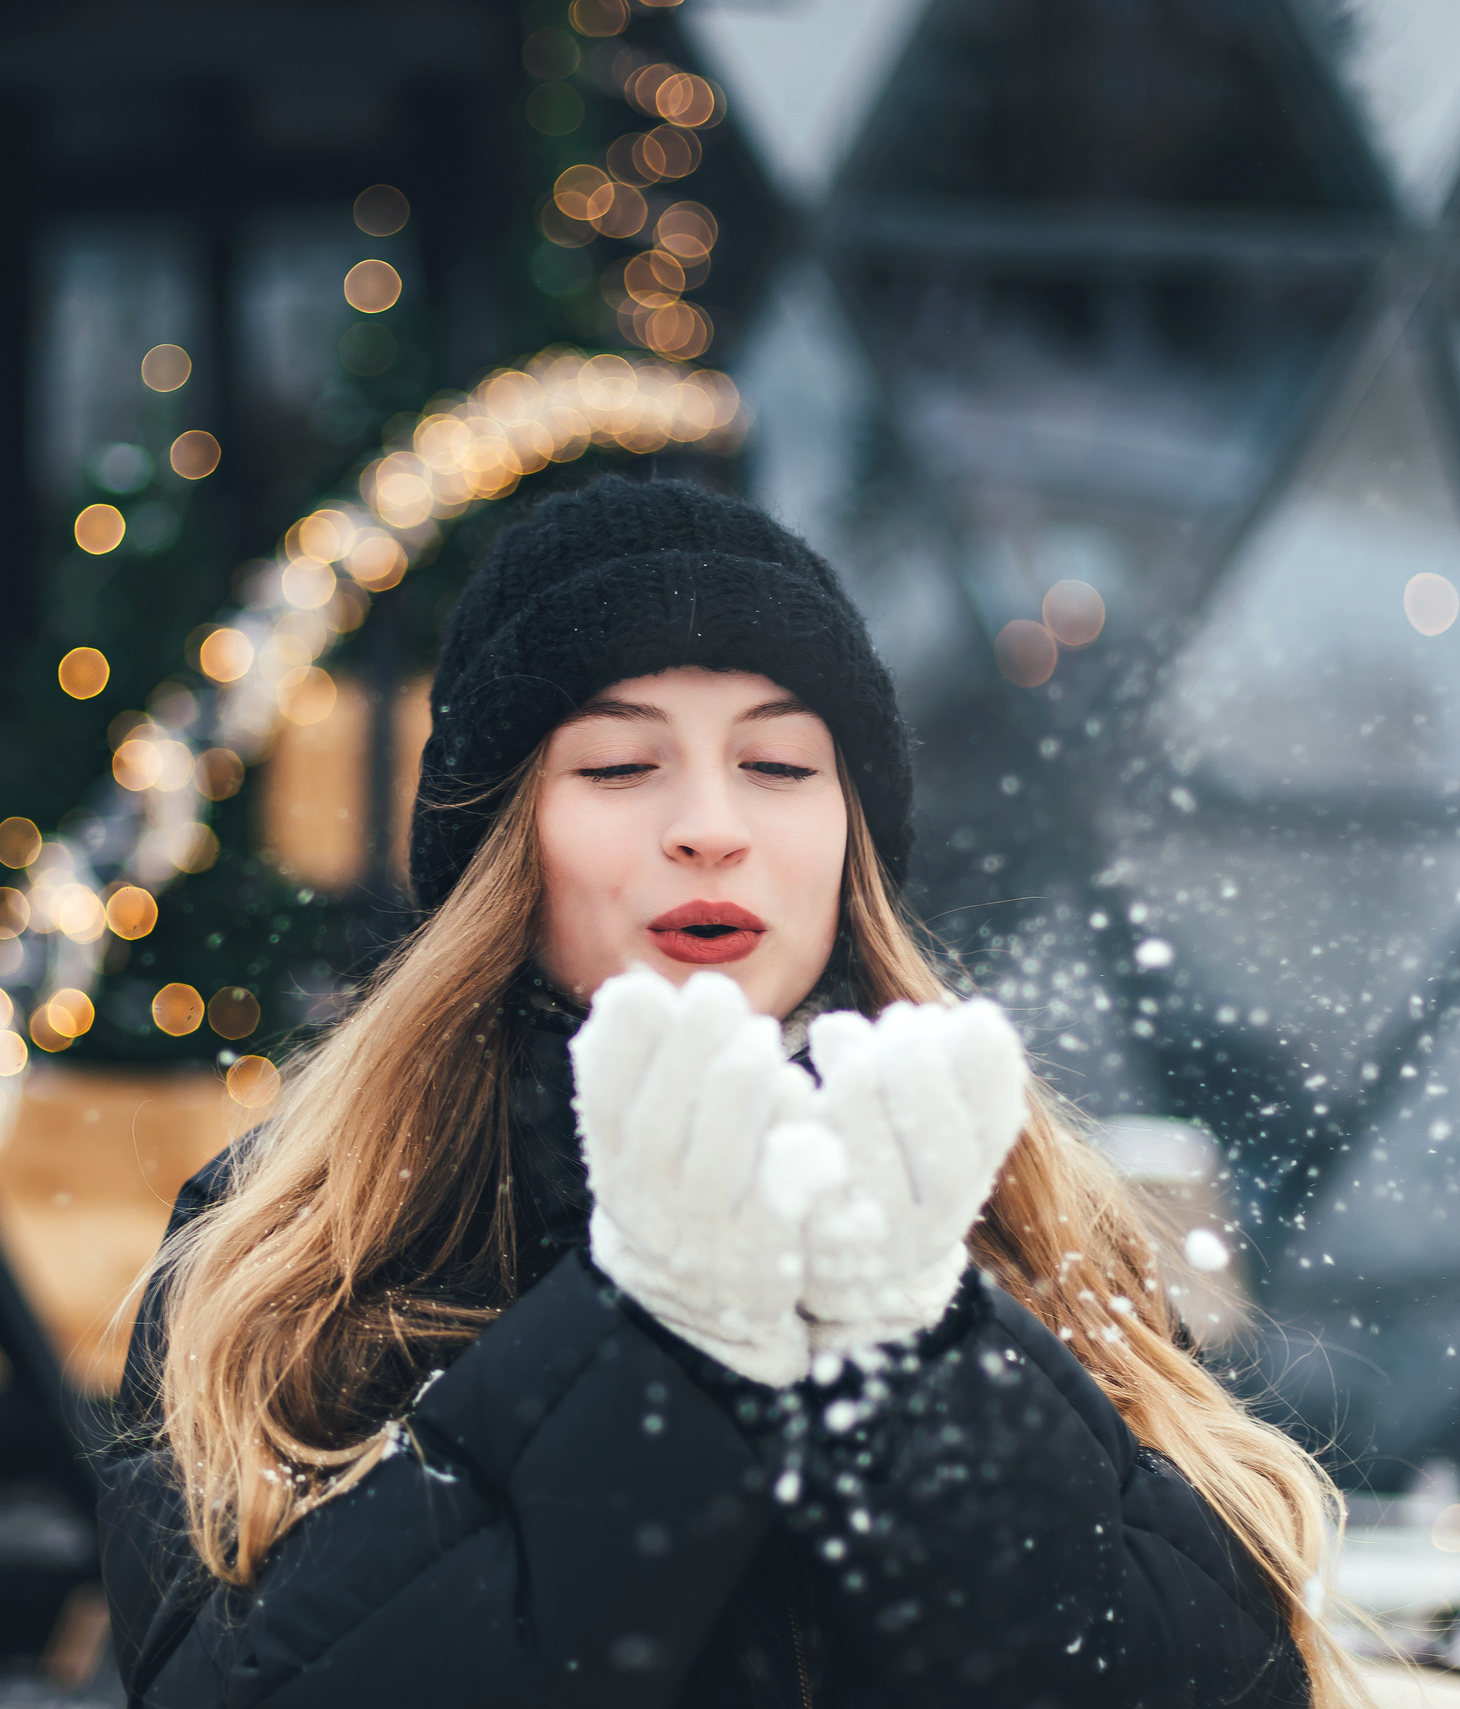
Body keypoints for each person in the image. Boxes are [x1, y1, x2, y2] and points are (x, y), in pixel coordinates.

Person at [97, 478, 1348, 1707]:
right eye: (620, 764)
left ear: (851, 831)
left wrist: (922, 1347)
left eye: (779, 763)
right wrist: (649, 1333)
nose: (708, 825)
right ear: (501, 835)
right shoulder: (295, 1243)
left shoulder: (1025, 1210)